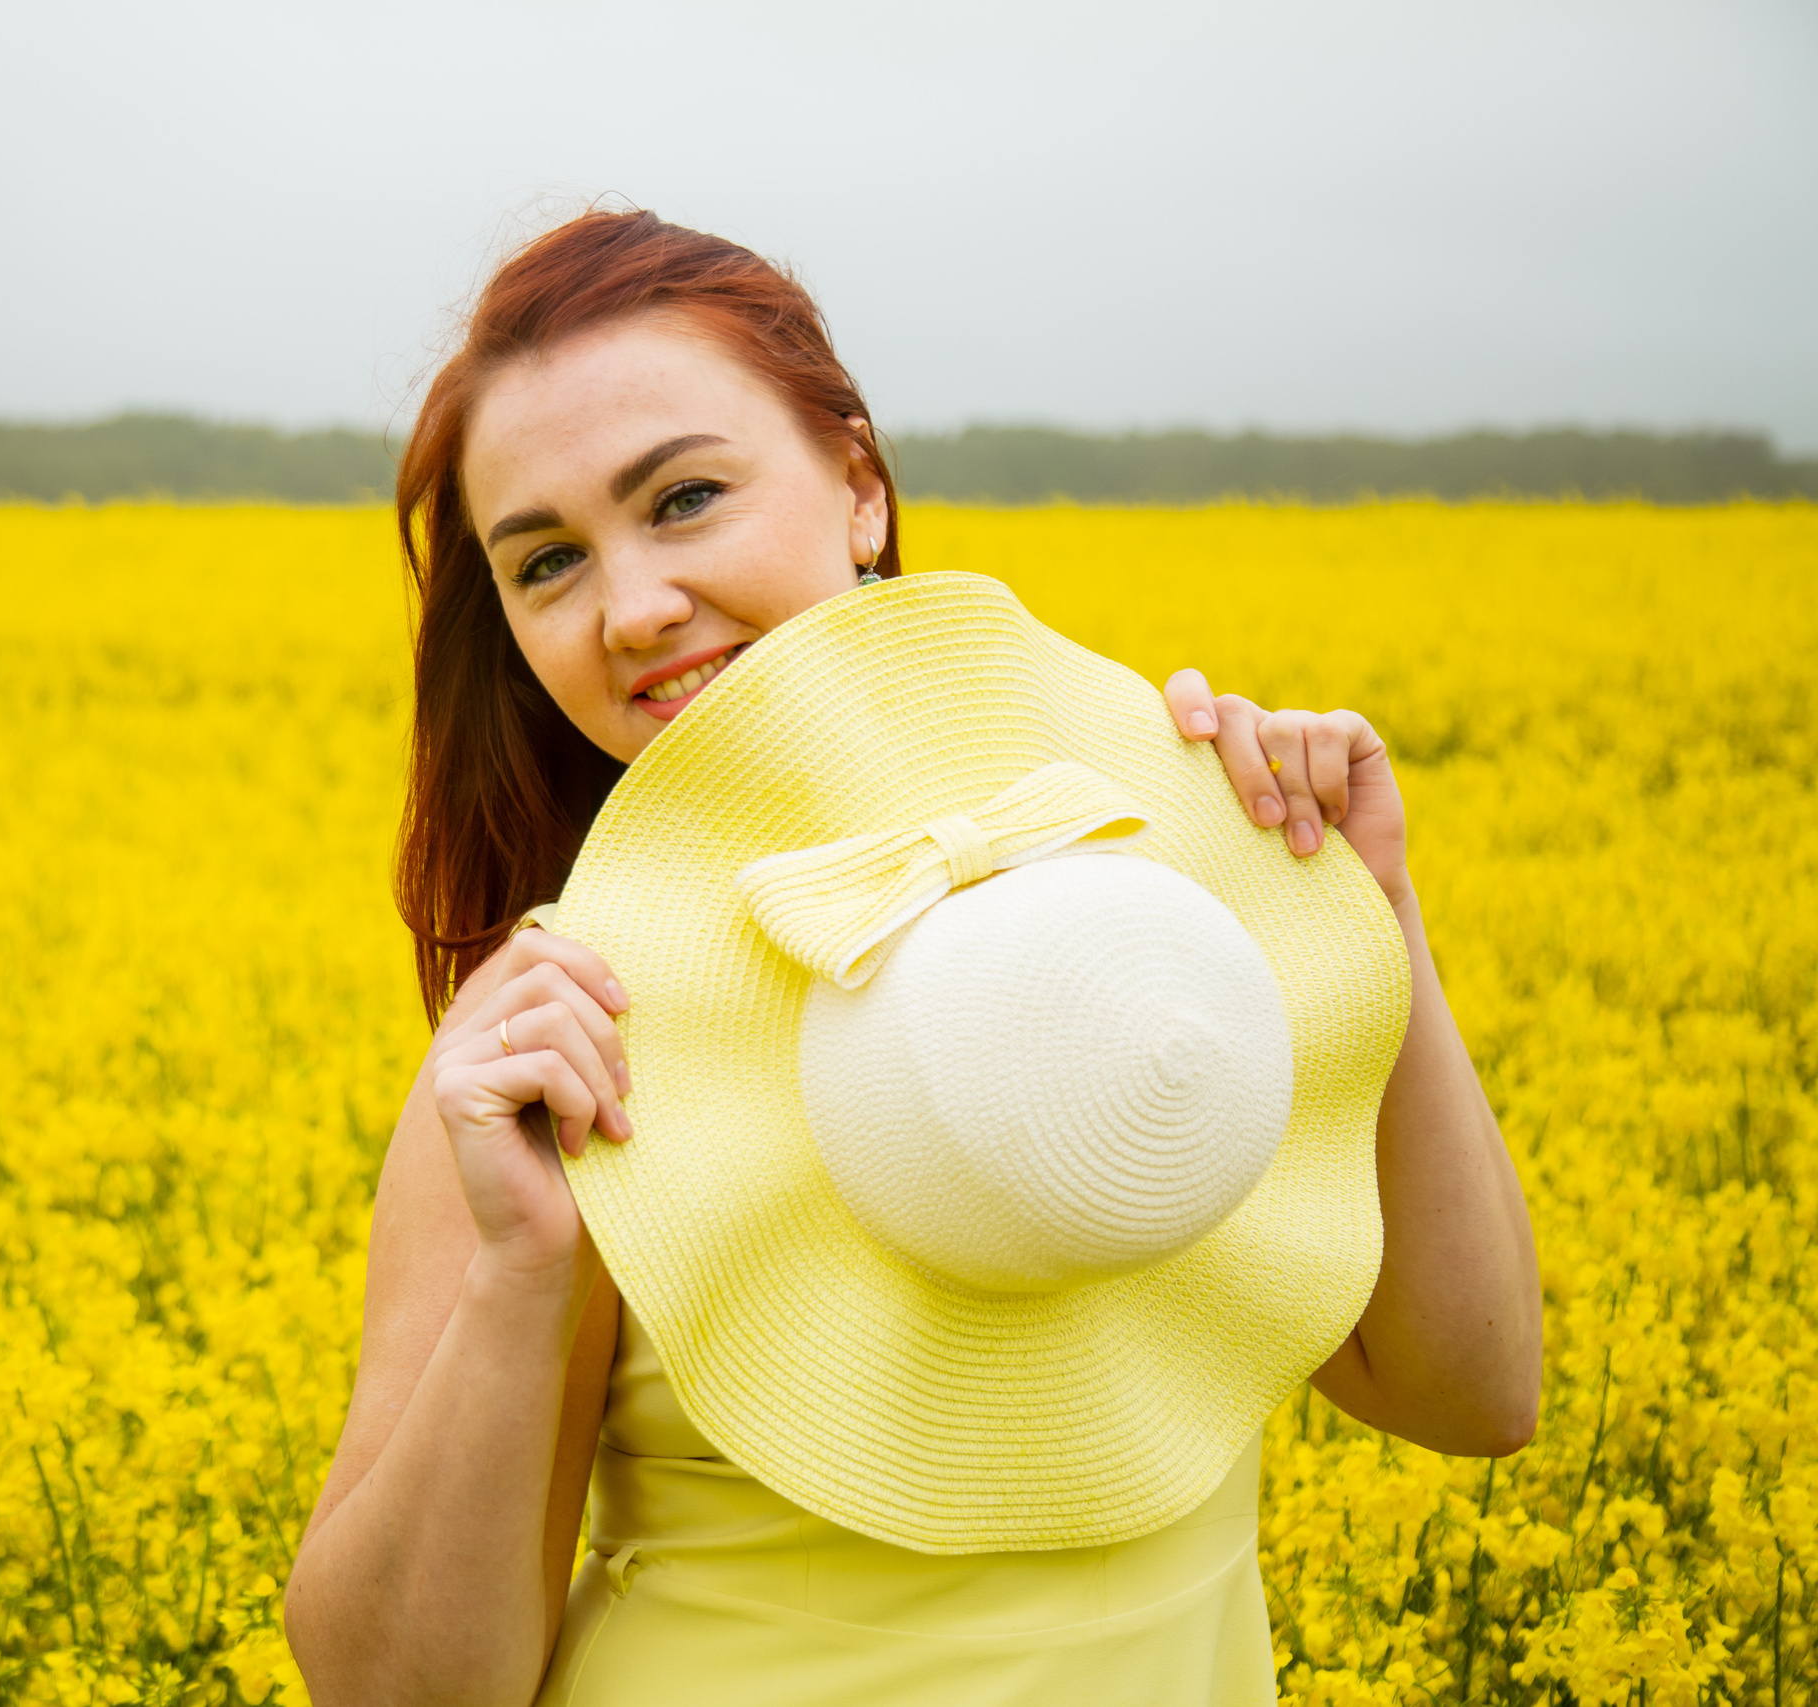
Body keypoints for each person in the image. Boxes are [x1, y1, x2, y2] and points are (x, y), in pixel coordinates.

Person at [283, 208, 1542, 1706]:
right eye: (547, 562)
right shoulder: (563, 1033)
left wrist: (1363, 911)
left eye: (684, 498)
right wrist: (518, 1273)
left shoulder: (1150, 873)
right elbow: (393, 1692)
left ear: (860, 486)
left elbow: (1472, 1392)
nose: (629, 610)